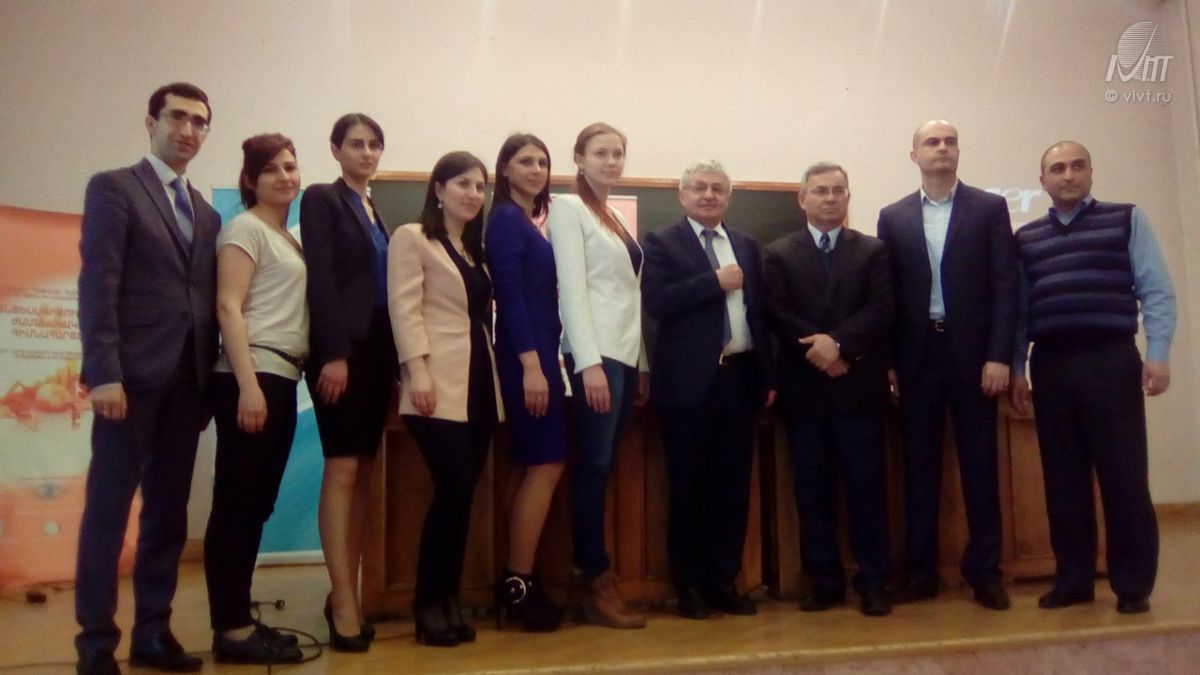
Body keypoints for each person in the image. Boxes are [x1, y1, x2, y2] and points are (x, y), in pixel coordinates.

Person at [76, 82, 219, 675]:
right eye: (176, 117)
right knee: (109, 511)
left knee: (167, 513)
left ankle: (153, 634)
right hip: (129, 381)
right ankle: (95, 644)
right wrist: (103, 372)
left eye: (199, 121)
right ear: (151, 122)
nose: (188, 129)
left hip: (187, 383)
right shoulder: (115, 188)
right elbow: (99, 284)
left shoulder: (207, 213)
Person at [1010, 141, 1176, 615]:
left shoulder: (1126, 219)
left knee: (1124, 476)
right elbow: (1021, 312)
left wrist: (1158, 354)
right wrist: (1018, 366)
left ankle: (1133, 585)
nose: (1068, 175)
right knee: (1063, 481)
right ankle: (1074, 580)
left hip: (1111, 359)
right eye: (1057, 168)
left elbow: (1157, 291)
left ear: (1090, 172)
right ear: (1042, 181)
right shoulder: (1026, 239)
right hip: (1052, 363)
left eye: (1077, 166)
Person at [876, 120, 1017, 610]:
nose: (942, 148)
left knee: (981, 468)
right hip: (918, 357)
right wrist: (890, 361)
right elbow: (887, 295)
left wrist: (999, 354)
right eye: (932, 142)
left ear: (958, 152)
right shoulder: (893, 217)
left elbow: (1005, 284)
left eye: (950, 141)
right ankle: (921, 573)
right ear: (914, 155)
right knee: (919, 471)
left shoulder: (989, 208)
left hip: (975, 357)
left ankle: (985, 573)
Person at [641, 159, 774, 620]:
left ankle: (723, 581)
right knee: (689, 488)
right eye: (699, 187)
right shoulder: (661, 242)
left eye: (718, 188)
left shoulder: (746, 244)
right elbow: (657, 301)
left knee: (732, 489)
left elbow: (759, 314)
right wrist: (713, 282)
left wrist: (767, 376)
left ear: (729, 197)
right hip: (688, 385)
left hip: (740, 378)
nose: (708, 195)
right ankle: (690, 586)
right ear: (682, 196)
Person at [763, 162, 893, 617]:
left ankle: (874, 581)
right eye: (820, 191)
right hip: (806, 393)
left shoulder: (873, 250)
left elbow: (881, 309)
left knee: (866, 490)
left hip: (859, 390)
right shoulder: (777, 253)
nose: (831, 198)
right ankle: (825, 581)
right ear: (803, 199)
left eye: (839, 190)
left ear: (848, 197)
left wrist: (838, 346)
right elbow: (777, 313)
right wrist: (820, 351)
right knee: (812, 492)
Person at [388, 151, 504, 647]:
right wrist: (417, 370)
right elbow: (404, 308)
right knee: (452, 490)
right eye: (462, 184)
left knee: (462, 498)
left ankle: (448, 600)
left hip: (479, 383)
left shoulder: (473, 250)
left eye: (480, 186)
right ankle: (427, 605)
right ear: (438, 189)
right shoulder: (413, 237)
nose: (473, 194)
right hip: (436, 381)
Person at [204, 134, 307, 664]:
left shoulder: (284, 236)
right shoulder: (244, 228)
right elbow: (228, 306)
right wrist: (247, 386)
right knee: (238, 505)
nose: (285, 176)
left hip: (280, 375)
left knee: (255, 505)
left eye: (290, 166)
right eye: (272, 169)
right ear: (250, 179)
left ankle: (238, 619)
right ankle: (231, 630)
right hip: (253, 374)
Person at [547, 122, 650, 629]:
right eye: (600, 153)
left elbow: (630, 295)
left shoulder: (612, 215)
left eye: (617, 154)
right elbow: (571, 288)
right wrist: (587, 362)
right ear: (579, 158)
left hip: (624, 354)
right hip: (596, 357)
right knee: (592, 466)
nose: (611, 162)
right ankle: (593, 581)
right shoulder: (568, 208)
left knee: (602, 467)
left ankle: (587, 578)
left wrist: (642, 362)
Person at [299, 113, 396, 652]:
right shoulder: (322, 199)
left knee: (363, 472)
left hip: (378, 353)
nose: (367, 152)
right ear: (335, 149)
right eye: (356, 144)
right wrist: (334, 353)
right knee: (342, 467)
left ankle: (349, 591)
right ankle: (341, 600)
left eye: (374, 144)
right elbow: (321, 278)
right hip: (342, 353)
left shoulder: (375, 209)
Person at [485, 134, 565, 631]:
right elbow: (510, 298)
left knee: (532, 464)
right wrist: (533, 366)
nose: (536, 169)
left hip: (535, 356)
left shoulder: (524, 221)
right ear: (505, 169)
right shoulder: (506, 220)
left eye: (542, 162)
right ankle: (519, 582)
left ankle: (516, 581)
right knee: (546, 463)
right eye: (525, 161)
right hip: (525, 360)